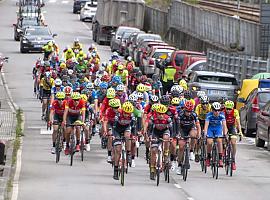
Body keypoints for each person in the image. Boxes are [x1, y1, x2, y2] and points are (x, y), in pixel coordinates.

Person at [148, 104, 172, 180]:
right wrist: (150, 136)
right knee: (154, 150)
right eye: (159, 114)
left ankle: (166, 153)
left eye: (163, 114)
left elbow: (172, 129)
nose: (161, 115)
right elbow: (150, 130)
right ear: (156, 113)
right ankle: (152, 169)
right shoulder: (153, 119)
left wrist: (171, 137)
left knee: (166, 138)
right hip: (156, 133)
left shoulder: (168, 119)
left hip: (165, 132)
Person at [112, 101, 135, 180]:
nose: (126, 115)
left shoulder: (131, 116)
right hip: (117, 130)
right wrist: (114, 136)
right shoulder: (118, 114)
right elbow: (114, 126)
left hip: (126, 128)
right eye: (125, 113)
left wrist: (134, 135)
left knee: (128, 136)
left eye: (128, 113)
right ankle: (115, 170)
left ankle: (128, 153)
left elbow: (134, 126)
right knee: (118, 150)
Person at [176, 100, 201, 175]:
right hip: (182, 129)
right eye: (187, 111)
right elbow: (177, 126)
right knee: (181, 146)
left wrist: (199, 134)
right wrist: (178, 134)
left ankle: (191, 151)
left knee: (194, 135)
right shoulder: (180, 114)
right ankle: (180, 165)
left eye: (190, 111)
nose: (189, 113)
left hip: (190, 128)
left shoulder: (193, 114)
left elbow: (198, 125)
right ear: (184, 109)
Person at [204, 102, 228, 168]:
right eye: (215, 110)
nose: (217, 112)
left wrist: (225, 134)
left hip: (218, 128)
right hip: (210, 128)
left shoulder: (222, 115)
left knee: (219, 140)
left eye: (218, 110)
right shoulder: (209, 115)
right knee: (209, 142)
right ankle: (208, 157)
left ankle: (220, 158)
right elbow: (206, 125)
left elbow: (224, 125)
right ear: (212, 110)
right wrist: (205, 134)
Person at [224, 100, 242, 170]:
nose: (228, 110)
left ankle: (233, 160)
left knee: (233, 142)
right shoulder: (223, 112)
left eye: (230, 109)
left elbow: (238, 123)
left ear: (232, 108)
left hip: (232, 127)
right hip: (224, 126)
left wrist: (240, 132)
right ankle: (222, 153)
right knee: (222, 140)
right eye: (227, 109)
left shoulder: (235, 112)